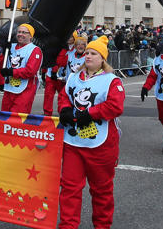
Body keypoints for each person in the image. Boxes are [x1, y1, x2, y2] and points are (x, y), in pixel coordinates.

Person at [57, 36, 124, 229]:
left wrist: (91, 113)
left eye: (93, 53)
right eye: (86, 52)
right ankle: (68, 225)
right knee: (69, 187)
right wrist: (64, 110)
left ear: (102, 58)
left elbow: (115, 106)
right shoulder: (73, 77)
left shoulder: (112, 80)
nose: (88, 56)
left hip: (101, 144)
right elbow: (65, 97)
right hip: (73, 142)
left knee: (101, 190)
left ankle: (102, 225)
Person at [0, 23, 42, 114]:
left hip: (25, 89)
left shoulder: (35, 50)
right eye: (19, 32)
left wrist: (11, 72)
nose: (20, 34)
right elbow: (1, 65)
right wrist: (4, 51)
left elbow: (30, 71)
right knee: (4, 116)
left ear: (30, 36)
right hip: (9, 87)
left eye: (24, 32)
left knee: (17, 118)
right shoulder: (11, 46)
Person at [43, 36, 72, 116]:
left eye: (71, 37)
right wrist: (44, 71)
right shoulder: (56, 45)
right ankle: (47, 114)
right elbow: (49, 59)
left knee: (63, 97)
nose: (69, 38)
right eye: (68, 37)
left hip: (62, 78)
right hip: (51, 75)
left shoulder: (74, 49)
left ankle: (62, 112)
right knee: (48, 95)